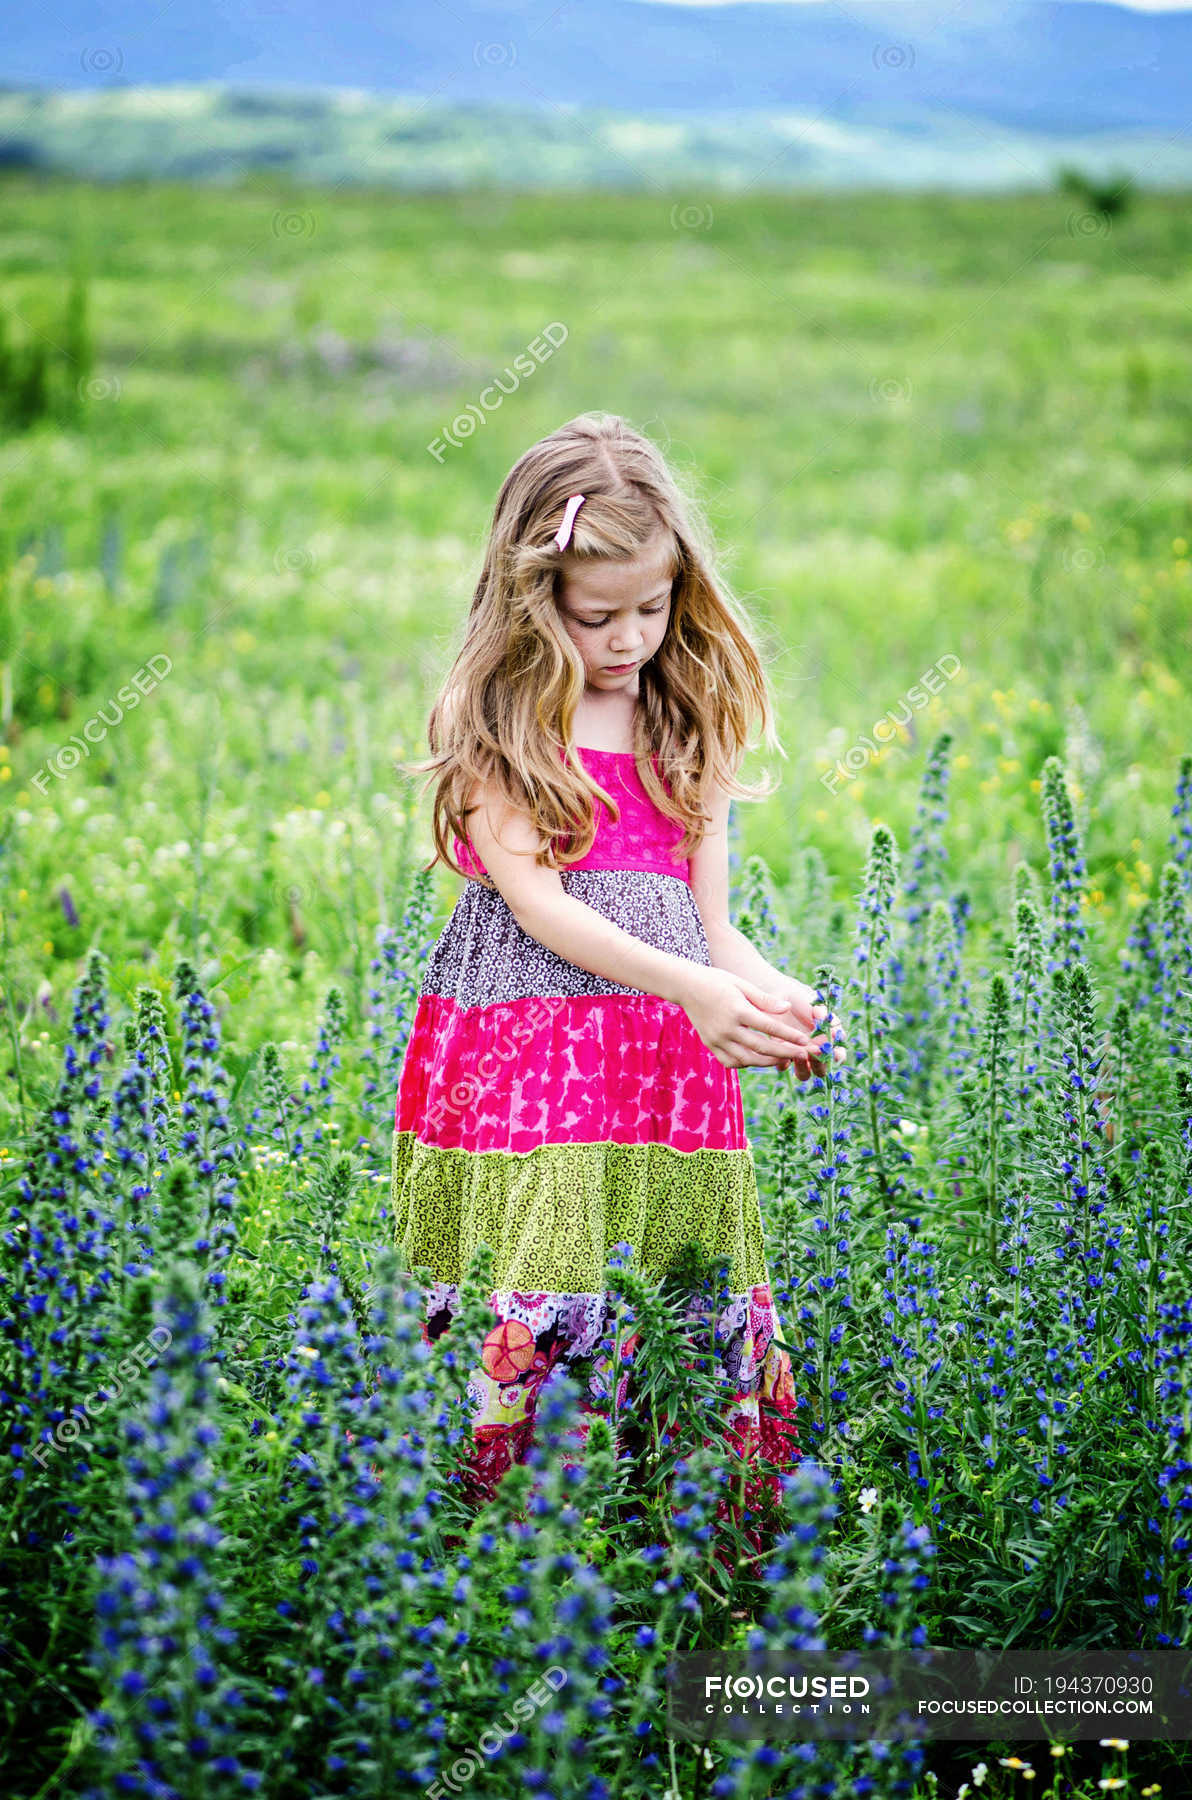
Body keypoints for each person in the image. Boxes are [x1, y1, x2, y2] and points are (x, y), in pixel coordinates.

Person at [391, 410, 846, 1520]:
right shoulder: (501, 720)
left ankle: (678, 1521)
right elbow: (539, 907)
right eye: (599, 616)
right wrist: (694, 986)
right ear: (530, 599)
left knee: (674, 1268)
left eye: (653, 607)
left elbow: (712, 928)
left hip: (661, 1063)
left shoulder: (682, 718)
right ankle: (525, 1530)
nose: (630, 638)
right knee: (548, 1255)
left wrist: (768, 997)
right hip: (535, 1053)